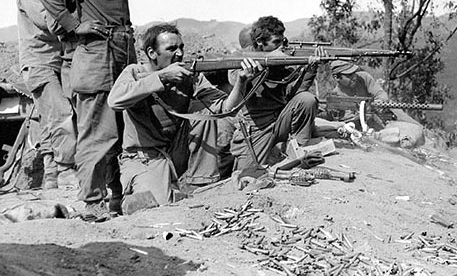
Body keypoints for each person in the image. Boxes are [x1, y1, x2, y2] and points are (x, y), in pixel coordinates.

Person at [38, 0, 143, 222]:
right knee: (98, 130)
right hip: (96, 53)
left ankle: (114, 198)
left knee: (117, 129)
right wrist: (74, 25)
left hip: (121, 49)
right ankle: (92, 203)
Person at [107, 22, 259, 211]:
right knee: (156, 205)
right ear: (152, 53)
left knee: (203, 113)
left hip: (176, 151)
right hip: (144, 157)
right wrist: (162, 78)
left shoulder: (189, 75)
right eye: (171, 48)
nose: (179, 53)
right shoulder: (135, 72)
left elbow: (225, 108)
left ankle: (199, 183)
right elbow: (114, 101)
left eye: (181, 47)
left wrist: (242, 82)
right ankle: (130, 197)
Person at [17, 0, 77, 190]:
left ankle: (51, 174)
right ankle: (65, 170)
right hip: (39, 64)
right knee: (61, 114)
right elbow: (49, 23)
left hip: (55, 61)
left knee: (49, 119)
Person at [229, 16, 320, 171]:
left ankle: (300, 148)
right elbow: (234, 79)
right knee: (246, 175)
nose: (282, 46)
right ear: (259, 42)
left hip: (281, 120)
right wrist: (267, 61)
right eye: (276, 42)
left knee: (307, 99)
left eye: (283, 41)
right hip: (257, 127)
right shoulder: (243, 58)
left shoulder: (281, 60)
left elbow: (296, 93)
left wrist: (311, 69)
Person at [328, 59, 424, 147]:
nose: (354, 77)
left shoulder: (363, 78)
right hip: (365, 127)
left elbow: (380, 94)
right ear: (337, 78)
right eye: (349, 75)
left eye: (354, 73)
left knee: (416, 128)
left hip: (380, 115)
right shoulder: (335, 96)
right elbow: (344, 122)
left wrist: (378, 103)